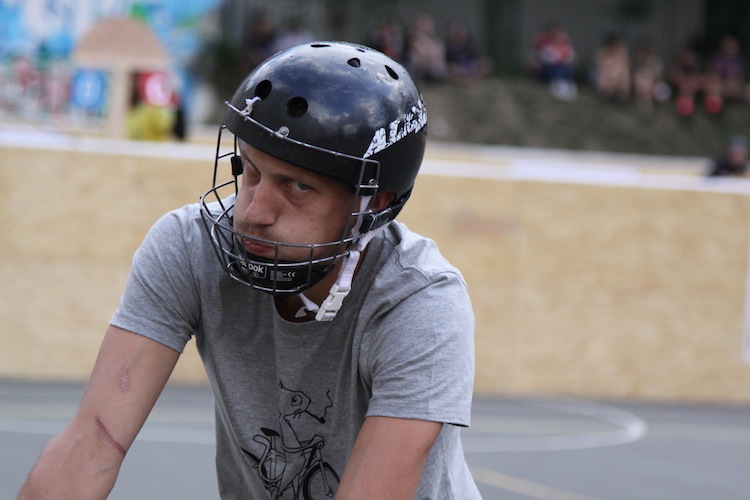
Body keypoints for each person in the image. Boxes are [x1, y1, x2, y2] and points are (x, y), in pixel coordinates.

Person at [17, 41, 480, 499]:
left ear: (370, 204)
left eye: (297, 186)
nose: (252, 211)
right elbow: (91, 444)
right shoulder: (192, 246)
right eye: (250, 172)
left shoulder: (420, 303)